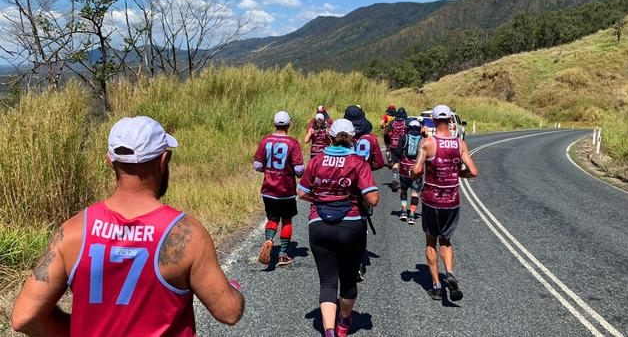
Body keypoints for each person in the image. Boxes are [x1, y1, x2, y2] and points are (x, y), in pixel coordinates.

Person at [11, 116, 245, 336]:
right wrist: (234, 291)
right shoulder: (186, 234)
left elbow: (24, 317)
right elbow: (229, 312)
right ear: (163, 161)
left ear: (109, 161)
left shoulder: (72, 232)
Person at [297, 119, 379, 337]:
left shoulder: (317, 160)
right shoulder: (358, 162)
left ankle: (330, 330)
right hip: (351, 225)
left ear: (330, 137)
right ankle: (343, 323)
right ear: (352, 138)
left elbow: (302, 192)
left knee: (327, 281)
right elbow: (373, 198)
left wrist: (323, 198)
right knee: (349, 278)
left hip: (319, 225)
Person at [411, 105, 478, 302]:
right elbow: (473, 171)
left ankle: (437, 287)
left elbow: (416, 170)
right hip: (452, 200)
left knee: (431, 240)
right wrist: (458, 173)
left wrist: (413, 173)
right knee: (446, 240)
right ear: (450, 120)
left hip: (432, 199)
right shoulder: (460, 144)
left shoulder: (428, 143)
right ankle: (449, 272)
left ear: (432, 119)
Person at [254, 111, 304, 266]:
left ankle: (269, 240)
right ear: (289, 124)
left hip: (268, 189)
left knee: (272, 219)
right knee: (287, 220)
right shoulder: (293, 143)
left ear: (274, 124)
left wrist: (268, 171)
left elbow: (257, 165)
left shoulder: (266, 140)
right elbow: (299, 170)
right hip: (286, 190)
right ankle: (283, 254)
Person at [344, 105, 385, 282]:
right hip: (364, 185)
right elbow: (379, 162)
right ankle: (358, 262)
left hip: (344, 183)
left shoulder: (343, 136)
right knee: (361, 224)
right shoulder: (371, 139)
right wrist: (367, 169)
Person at [394, 119, 424, 225]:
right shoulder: (423, 139)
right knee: (415, 192)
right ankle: (412, 214)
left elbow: (397, 152)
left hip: (405, 168)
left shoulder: (404, 138)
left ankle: (403, 211)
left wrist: (397, 162)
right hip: (417, 167)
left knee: (403, 190)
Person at [344, 105, 385, 171]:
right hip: (363, 176)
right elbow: (379, 163)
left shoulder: (341, 137)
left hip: (343, 176)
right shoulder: (371, 138)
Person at [385, 107, 408, 192]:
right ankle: (405, 181)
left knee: (395, 162)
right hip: (403, 145)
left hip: (394, 144)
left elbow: (386, 132)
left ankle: (394, 179)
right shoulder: (406, 122)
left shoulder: (393, 122)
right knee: (404, 162)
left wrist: (391, 135)